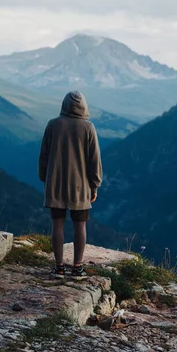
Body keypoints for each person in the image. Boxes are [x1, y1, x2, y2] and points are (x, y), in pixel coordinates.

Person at [38, 91, 102, 278]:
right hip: (81, 187)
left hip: (55, 183)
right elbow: (94, 160)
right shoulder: (88, 127)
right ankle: (77, 267)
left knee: (57, 224)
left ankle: (58, 267)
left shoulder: (53, 125)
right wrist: (95, 185)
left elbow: (44, 156)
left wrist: (45, 179)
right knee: (80, 226)